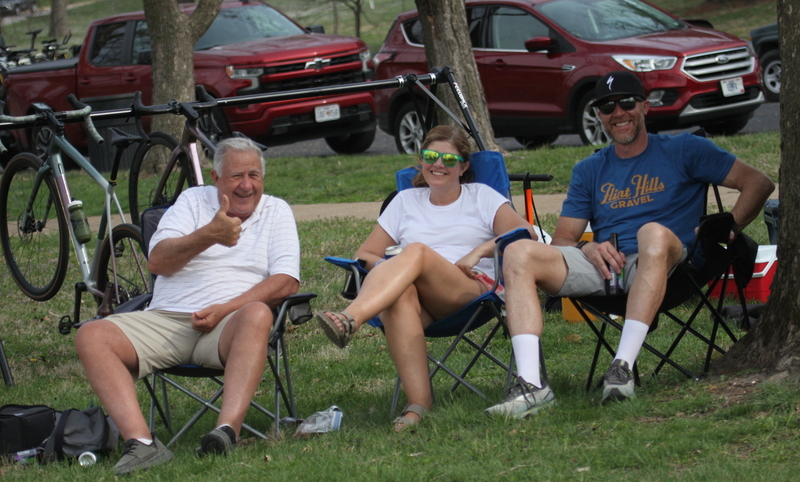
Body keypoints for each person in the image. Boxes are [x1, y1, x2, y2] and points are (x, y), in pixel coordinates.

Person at [486, 71, 775, 418]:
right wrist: (585, 248)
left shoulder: (685, 149)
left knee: (652, 232)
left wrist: (730, 229)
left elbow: (758, 182)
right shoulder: (589, 169)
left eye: (626, 103)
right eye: (607, 106)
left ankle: (622, 367)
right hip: (608, 267)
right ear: (599, 116)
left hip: (672, 263)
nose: (618, 112)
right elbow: (562, 239)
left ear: (645, 106)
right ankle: (532, 386)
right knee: (518, 252)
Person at [75, 137, 300, 475]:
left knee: (258, 313)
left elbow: (286, 281)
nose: (247, 185)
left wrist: (224, 310)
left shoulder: (276, 211)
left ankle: (225, 432)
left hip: (230, 326)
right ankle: (141, 443)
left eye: (254, 175)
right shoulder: (192, 202)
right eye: (237, 175)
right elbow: (158, 261)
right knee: (91, 335)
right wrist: (210, 233)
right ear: (215, 177)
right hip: (166, 321)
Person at [315, 125, 534, 431]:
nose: (439, 164)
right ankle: (418, 405)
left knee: (416, 251)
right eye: (431, 156)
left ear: (464, 166)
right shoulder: (405, 201)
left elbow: (525, 234)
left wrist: (479, 252)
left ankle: (351, 319)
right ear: (421, 160)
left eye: (449, 159)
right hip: (420, 302)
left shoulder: (481, 196)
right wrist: (393, 271)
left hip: (468, 292)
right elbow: (366, 253)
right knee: (399, 293)